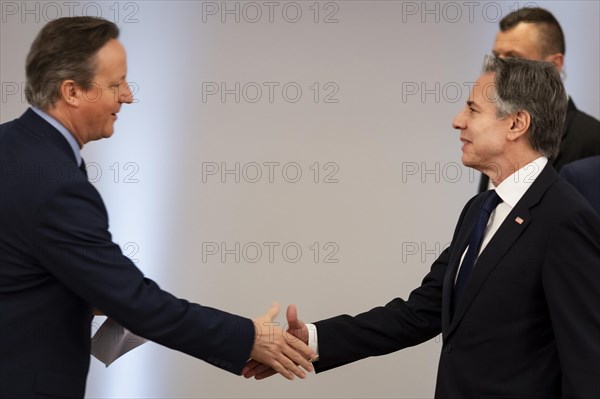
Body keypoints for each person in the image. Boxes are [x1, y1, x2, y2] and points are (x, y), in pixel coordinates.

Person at [244, 56, 600, 397]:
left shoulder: (566, 220)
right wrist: (312, 339)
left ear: (516, 124)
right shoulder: (479, 209)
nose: (457, 121)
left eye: (473, 110)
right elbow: (419, 313)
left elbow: (587, 366)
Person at [0, 17, 314, 399]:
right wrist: (248, 337)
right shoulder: (56, 186)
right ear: (71, 91)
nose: (128, 96)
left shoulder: (11, 147)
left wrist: (96, 292)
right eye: (116, 84)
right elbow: (137, 302)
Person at [478, 7, 600, 193]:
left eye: (513, 57)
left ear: (554, 65)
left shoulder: (592, 139)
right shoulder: (497, 133)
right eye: (496, 56)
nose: (498, 68)